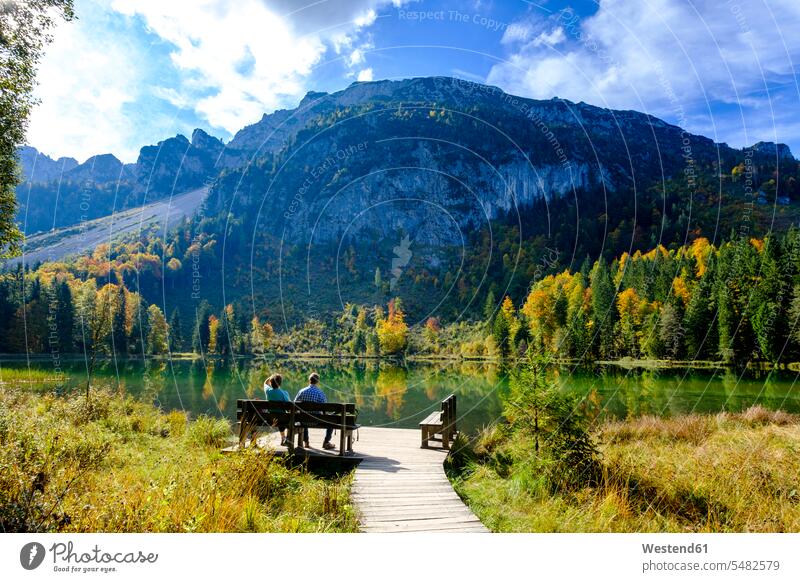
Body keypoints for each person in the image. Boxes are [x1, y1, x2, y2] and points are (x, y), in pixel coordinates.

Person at [294, 372, 335, 450]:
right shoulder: (320, 393)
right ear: (318, 382)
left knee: (305, 416)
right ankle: (326, 442)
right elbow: (324, 408)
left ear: (309, 380)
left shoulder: (301, 391)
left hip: (303, 420)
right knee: (331, 422)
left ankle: (306, 442)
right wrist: (326, 415)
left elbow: (295, 405)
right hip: (316, 420)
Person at [264, 373, 290, 446]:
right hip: (282, 418)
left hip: (270, 418)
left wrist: (271, 377)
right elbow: (289, 406)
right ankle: (285, 439)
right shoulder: (284, 393)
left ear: (271, 382)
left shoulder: (268, 391)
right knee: (287, 418)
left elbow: (265, 383)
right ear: (280, 383)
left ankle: (283, 437)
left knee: (278, 416)